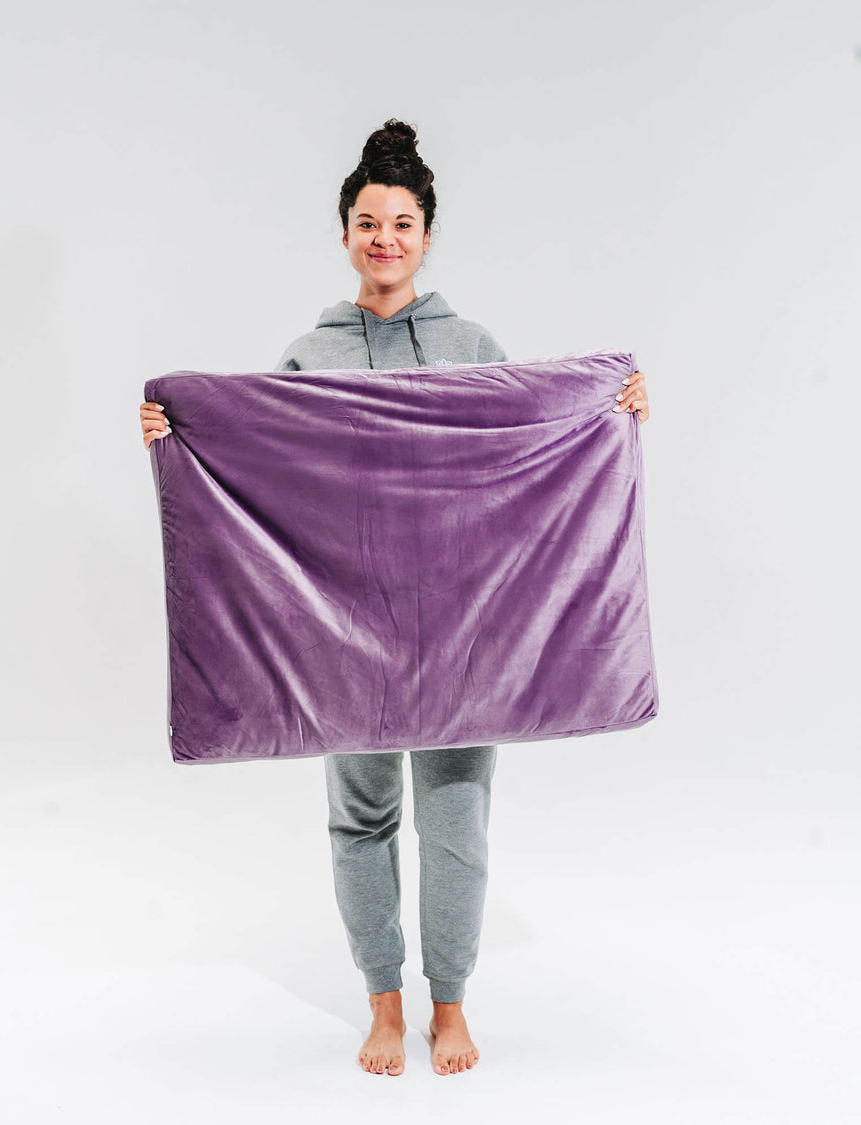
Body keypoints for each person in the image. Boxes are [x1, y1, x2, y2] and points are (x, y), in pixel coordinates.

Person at [140, 118, 650, 1078]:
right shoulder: (308, 355)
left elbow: (531, 451)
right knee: (362, 816)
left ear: (426, 236)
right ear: (344, 234)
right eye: (368, 223)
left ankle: (448, 1002)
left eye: (402, 223)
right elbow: (263, 470)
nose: (385, 238)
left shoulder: (474, 345)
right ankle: (383, 1000)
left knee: (456, 821)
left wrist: (609, 413)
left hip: (465, 630)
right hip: (344, 629)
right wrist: (179, 434)